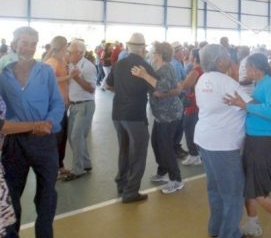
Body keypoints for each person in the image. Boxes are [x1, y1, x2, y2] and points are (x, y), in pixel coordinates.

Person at [225, 53, 271, 238]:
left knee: (257, 190)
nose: (246, 70)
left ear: (256, 68)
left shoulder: (270, 84)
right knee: (250, 186)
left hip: (262, 141)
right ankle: (253, 224)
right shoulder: (261, 83)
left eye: (247, 67)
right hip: (254, 139)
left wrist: (246, 106)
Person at [0, 26, 65, 238]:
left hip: (44, 141)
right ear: (14, 43)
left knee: (47, 195)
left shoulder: (45, 71)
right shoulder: (3, 73)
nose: (28, 48)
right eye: (24, 43)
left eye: (32, 44)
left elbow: (57, 103)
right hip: (14, 143)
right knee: (12, 195)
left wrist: (49, 124)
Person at [194, 44, 251, 238]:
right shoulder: (227, 83)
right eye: (227, 55)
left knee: (215, 188)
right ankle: (230, 234)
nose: (230, 57)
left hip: (205, 139)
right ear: (219, 61)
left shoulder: (203, 78)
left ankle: (216, 228)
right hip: (223, 145)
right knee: (234, 193)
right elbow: (249, 105)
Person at [106, 33, 154, 203]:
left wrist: (122, 91)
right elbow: (157, 88)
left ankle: (121, 183)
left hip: (118, 113)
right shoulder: (145, 65)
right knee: (139, 153)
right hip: (135, 115)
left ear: (128, 47)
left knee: (124, 150)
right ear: (142, 49)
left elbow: (108, 84)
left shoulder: (119, 64)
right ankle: (131, 191)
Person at [131, 41, 184, 194]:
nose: (151, 54)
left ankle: (176, 179)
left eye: (153, 52)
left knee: (166, 147)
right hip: (161, 115)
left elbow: (163, 87)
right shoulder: (157, 67)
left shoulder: (167, 67)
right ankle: (163, 171)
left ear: (159, 54)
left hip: (169, 115)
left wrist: (145, 76)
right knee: (156, 143)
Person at [0, 95, 55, 237]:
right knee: (9, 208)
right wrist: (34, 126)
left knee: (46, 196)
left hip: (34, 141)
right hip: (16, 144)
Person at [62, 40, 97, 181]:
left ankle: (78, 170)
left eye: (70, 52)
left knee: (76, 136)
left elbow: (91, 88)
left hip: (85, 105)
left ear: (80, 53)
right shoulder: (71, 65)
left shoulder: (88, 67)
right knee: (74, 136)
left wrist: (77, 78)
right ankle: (86, 164)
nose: (68, 54)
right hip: (75, 105)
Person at [43, 36, 70, 177]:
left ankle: (59, 165)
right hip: (54, 106)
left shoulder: (62, 60)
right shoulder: (51, 62)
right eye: (67, 46)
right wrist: (69, 77)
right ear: (63, 46)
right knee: (56, 138)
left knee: (62, 137)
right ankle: (54, 168)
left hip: (63, 103)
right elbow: (48, 81)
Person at [181, 48, 203, 166]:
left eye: (190, 54)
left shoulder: (196, 71)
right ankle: (195, 153)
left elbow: (186, 85)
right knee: (193, 128)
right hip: (197, 103)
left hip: (192, 104)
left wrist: (179, 82)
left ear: (194, 58)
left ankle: (194, 155)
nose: (188, 55)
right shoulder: (202, 69)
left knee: (189, 128)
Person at [170, 41, 187, 159]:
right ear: (175, 53)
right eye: (181, 51)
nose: (183, 52)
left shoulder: (178, 63)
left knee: (179, 124)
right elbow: (178, 83)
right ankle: (174, 147)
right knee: (178, 124)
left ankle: (176, 145)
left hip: (179, 96)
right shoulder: (175, 65)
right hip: (178, 97)